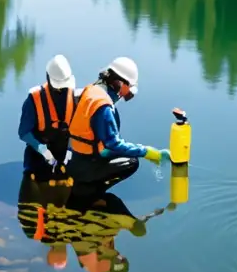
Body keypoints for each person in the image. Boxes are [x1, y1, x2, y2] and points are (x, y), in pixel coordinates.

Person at [65, 57, 169, 193]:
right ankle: (91, 189)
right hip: (85, 166)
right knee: (131, 162)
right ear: (120, 83)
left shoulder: (92, 90)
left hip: (74, 157)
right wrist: (146, 152)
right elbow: (114, 144)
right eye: (130, 86)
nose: (129, 92)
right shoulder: (104, 106)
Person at [18, 54, 76, 180]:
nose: (61, 91)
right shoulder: (33, 99)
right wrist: (42, 150)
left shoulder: (74, 97)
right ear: (48, 78)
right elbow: (23, 132)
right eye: (58, 88)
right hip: (38, 153)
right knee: (33, 181)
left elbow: (78, 127)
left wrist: (71, 149)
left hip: (65, 152)